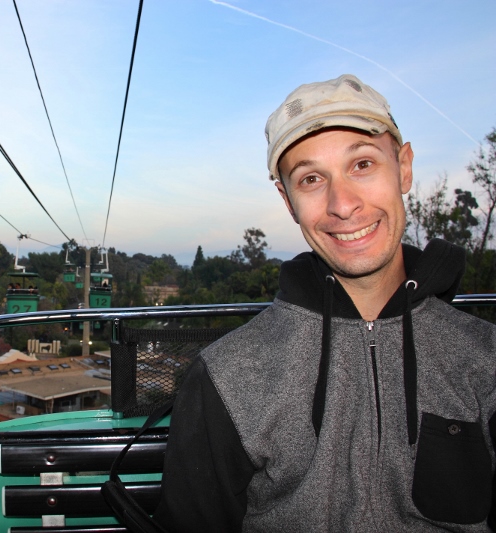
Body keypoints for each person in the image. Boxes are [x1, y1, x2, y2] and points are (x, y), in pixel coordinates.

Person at [153, 74, 496, 531]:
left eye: (362, 165)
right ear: (288, 200)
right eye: (311, 178)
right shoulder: (228, 376)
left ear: (404, 167)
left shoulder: (484, 360)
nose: (342, 204)